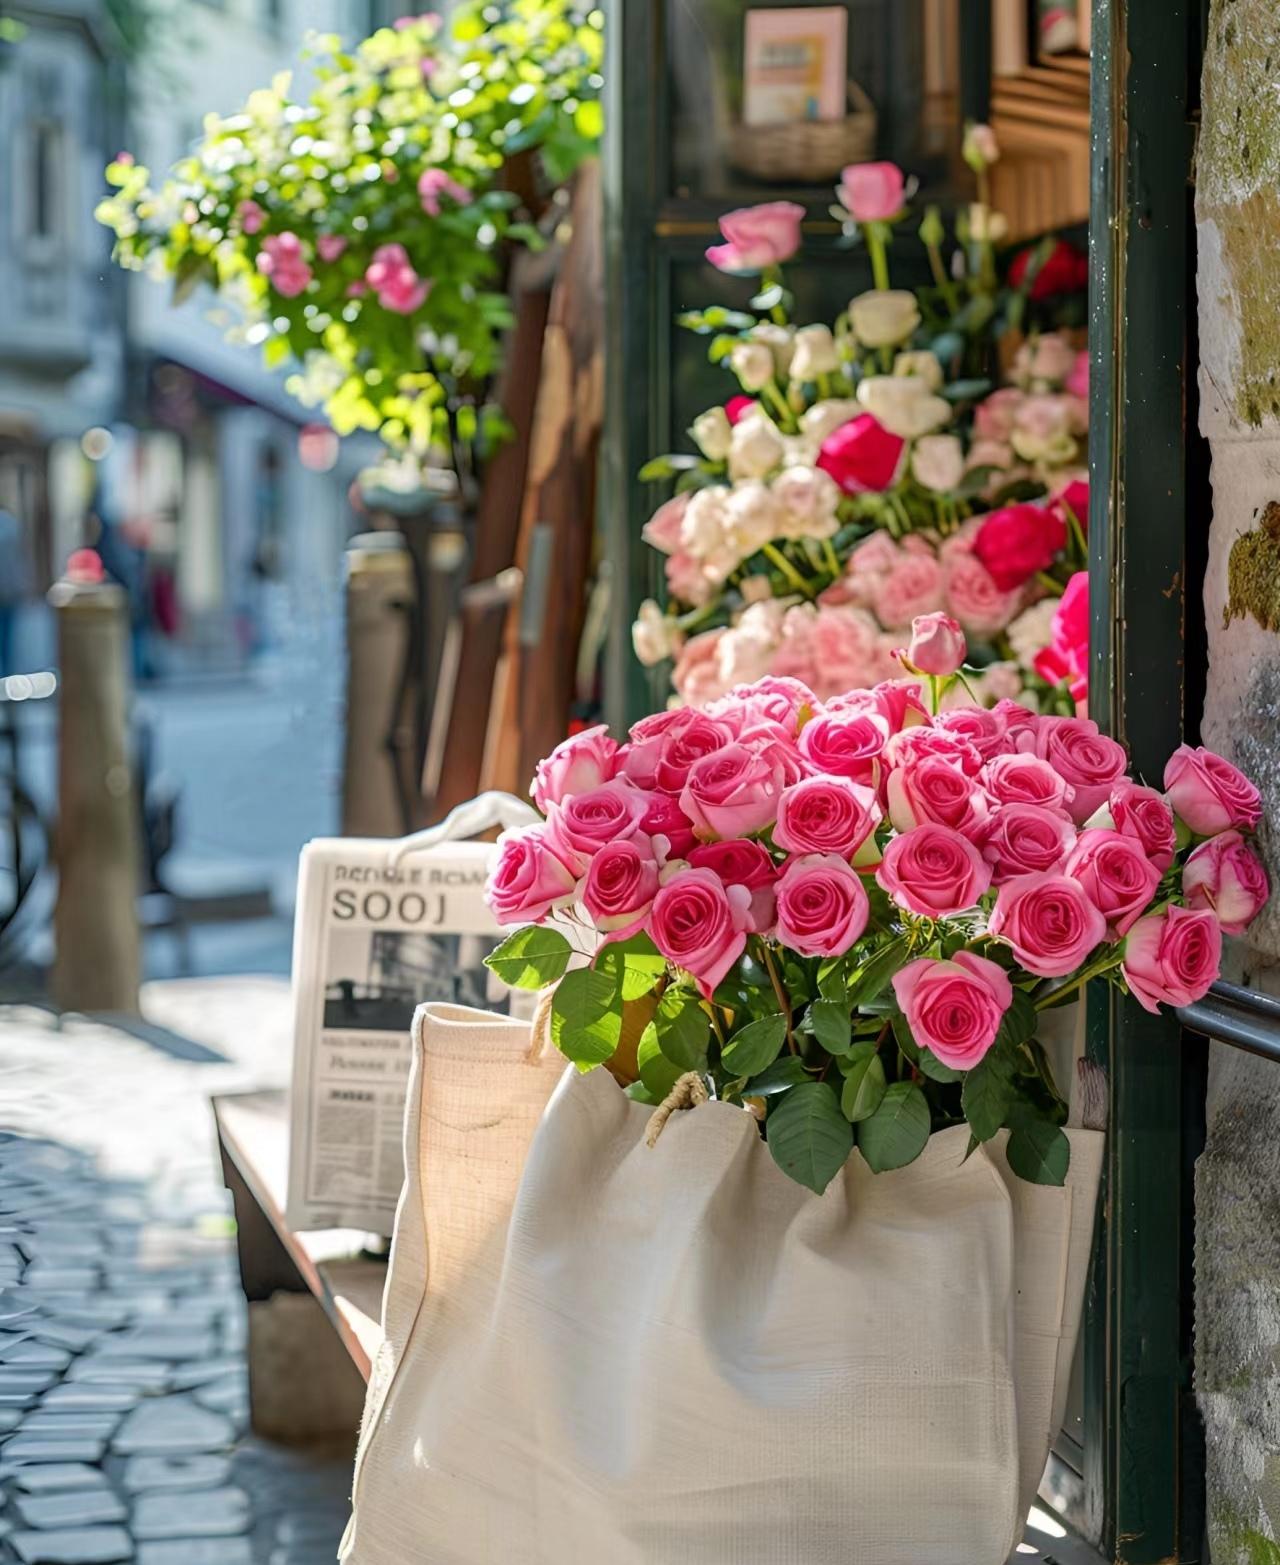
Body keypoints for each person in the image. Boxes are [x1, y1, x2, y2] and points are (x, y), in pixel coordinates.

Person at [0, 507, 31, 676]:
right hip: (10, 592)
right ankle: (7, 675)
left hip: (8, 592)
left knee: (6, 637)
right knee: (8, 639)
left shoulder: (10, 525)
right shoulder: (12, 524)